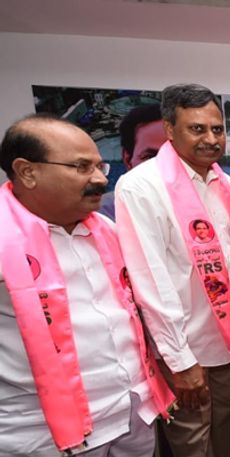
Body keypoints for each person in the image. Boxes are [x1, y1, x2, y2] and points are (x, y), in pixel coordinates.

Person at [0, 114, 174, 456]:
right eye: (81, 167)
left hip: (131, 411)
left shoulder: (104, 229)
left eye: (99, 167)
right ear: (27, 171)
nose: (99, 179)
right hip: (41, 431)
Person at [114, 83, 230, 457]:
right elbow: (149, 279)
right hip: (187, 353)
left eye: (216, 129)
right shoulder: (140, 185)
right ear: (170, 129)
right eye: (197, 128)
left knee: (227, 445)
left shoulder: (224, 182)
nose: (210, 139)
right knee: (193, 449)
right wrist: (180, 361)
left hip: (229, 349)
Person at [99, 104, 167, 220]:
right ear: (127, 160)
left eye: (178, 157)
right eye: (150, 158)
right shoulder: (100, 217)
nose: (166, 168)